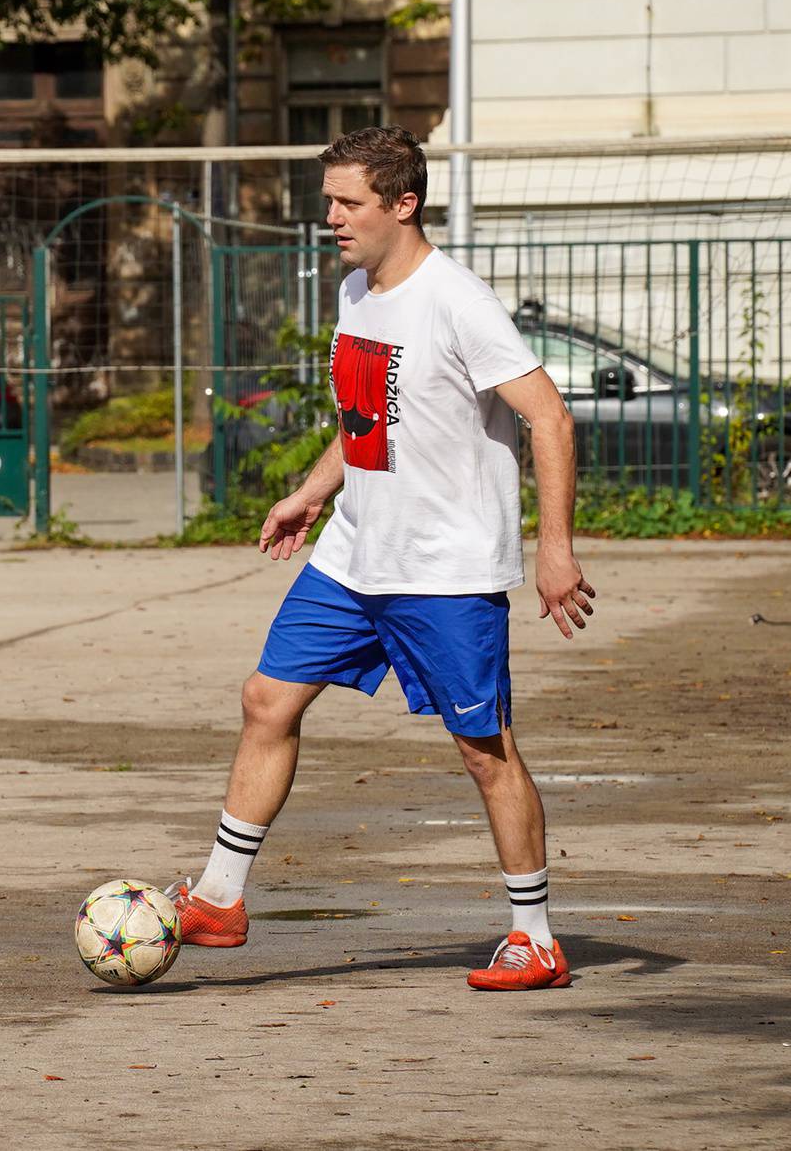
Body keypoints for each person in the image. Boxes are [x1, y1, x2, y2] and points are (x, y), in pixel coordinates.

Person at [173, 125, 596, 992]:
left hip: (443, 570)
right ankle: (220, 897)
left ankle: (535, 937)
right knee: (266, 699)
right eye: (328, 199)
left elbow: (550, 419)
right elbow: (368, 417)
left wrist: (553, 549)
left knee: (484, 750)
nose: (330, 216)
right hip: (355, 554)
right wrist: (314, 488)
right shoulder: (355, 290)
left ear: (403, 204)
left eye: (347, 202)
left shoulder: (458, 302)